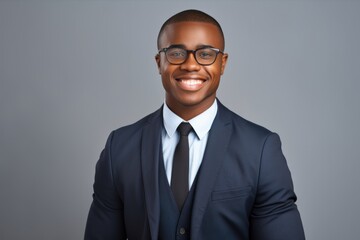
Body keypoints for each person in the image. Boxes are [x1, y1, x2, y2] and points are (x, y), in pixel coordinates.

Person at [84, 9, 305, 240]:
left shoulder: (260, 150)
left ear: (222, 63)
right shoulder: (118, 148)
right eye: (177, 53)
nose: (190, 65)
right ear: (159, 62)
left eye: (206, 54)